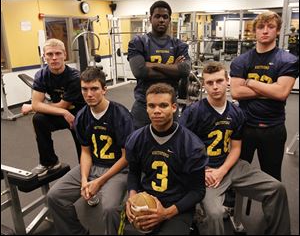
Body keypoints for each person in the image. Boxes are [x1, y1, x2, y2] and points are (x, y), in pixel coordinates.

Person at [180, 61, 291, 235]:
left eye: (219, 81)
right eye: (210, 83)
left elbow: (236, 148)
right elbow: (181, 150)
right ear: (203, 85)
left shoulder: (237, 113)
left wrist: (222, 170)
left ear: (228, 81)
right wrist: (201, 171)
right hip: (206, 172)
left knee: (277, 188)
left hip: (230, 166)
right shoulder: (193, 113)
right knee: (215, 213)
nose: (215, 87)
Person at [47, 67, 134, 235]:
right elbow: (85, 152)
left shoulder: (121, 115)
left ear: (104, 90)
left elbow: (126, 158)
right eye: (84, 89)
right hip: (93, 165)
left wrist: (99, 181)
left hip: (118, 170)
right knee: (55, 196)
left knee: (109, 208)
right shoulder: (81, 116)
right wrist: (85, 179)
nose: (89, 94)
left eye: (94, 89)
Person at [120, 83, 208, 235]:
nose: (157, 111)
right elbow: (133, 173)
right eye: (152, 106)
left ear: (174, 107)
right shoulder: (136, 139)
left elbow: (198, 191)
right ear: (146, 108)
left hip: (178, 205)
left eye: (163, 105)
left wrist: (166, 213)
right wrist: (132, 197)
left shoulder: (192, 146)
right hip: (147, 199)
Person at [230, 11, 299, 181]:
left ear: (277, 30)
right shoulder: (241, 61)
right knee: (236, 175)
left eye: (270, 27)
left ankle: (273, 208)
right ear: (255, 31)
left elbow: (282, 93)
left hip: (273, 128)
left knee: (272, 178)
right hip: (244, 126)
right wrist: (271, 88)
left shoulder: (288, 60)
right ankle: (232, 207)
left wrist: (251, 83)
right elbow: (236, 92)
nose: (265, 31)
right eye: (261, 27)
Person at [21, 38, 85, 176]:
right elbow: (39, 104)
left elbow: (63, 104)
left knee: (83, 148)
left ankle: (86, 169)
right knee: (39, 119)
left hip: (80, 113)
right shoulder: (42, 75)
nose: (54, 58)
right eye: (50, 54)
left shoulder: (74, 77)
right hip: (62, 113)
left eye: (58, 53)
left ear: (64, 55)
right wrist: (62, 112)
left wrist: (33, 107)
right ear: (45, 57)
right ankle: (49, 162)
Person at [127, 0, 191, 129]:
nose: (161, 20)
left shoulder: (179, 45)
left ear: (169, 20)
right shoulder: (138, 42)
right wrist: (173, 69)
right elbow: (140, 72)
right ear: (150, 19)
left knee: (172, 145)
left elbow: (184, 70)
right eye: (157, 16)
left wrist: (153, 65)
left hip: (169, 104)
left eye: (165, 17)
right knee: (139, 144)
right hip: (144, 104)